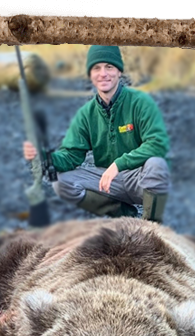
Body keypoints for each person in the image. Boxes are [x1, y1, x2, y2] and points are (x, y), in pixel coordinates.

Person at [22, 45, 171, 223]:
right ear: (90, 75)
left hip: (139, 179)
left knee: (157, 165)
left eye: (109, 67)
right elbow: (71, 156)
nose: (103, 74)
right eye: (96, 68)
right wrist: (45, 157)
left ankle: (151, 228)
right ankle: (123, 214)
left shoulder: (141, 102)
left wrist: (118, 164)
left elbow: (157, 144)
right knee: (61, 183)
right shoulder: (86, 113)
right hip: (107, 182)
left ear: (119, 71)